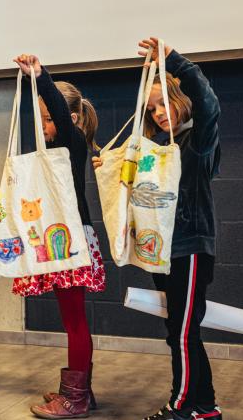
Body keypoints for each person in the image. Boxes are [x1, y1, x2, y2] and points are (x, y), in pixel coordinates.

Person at [93, 38, 222, 420]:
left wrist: (175, 62)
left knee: (182, 333)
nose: (160, 113)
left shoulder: (197, 142)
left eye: (165, 102)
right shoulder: (160, 146)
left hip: (190, 248)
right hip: (165, 251)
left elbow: (209, 103)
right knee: (180, 332)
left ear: (181, 101)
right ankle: (205, 407)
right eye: (153, 108)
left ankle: (179, 407)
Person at [11, 55, 106, 419]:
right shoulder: (58, 148)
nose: (45, 125)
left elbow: (60, 119)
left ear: (71, 119)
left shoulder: (72, 140)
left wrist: (40, 77)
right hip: (65, 239)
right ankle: (80, 392)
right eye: (43, 118)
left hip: (72, 241)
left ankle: (75, 399)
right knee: (73, 321)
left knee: (75, 322)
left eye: (49, 118)